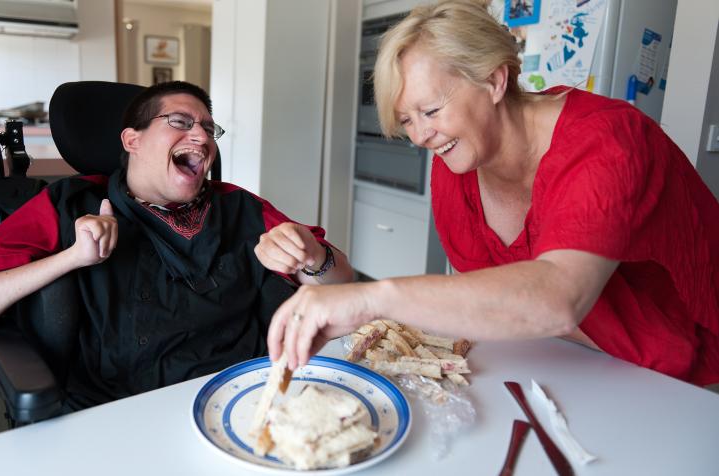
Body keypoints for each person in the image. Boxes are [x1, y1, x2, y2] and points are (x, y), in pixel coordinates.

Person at [268, 0, 719, 387]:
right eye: (407, 120)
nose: (421, 136)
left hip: (680, 376)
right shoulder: (456, 167)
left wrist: (370, 298)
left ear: (495, 81)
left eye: (431, 110)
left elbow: (558, 297)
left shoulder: (607, 140)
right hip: (564, 361)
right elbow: (482, 297)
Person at [0, 81, 354, 410]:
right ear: (133, 140)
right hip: (121, 411)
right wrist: (70, 258)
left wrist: (314, 258)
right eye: (180, 123)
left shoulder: (240, 207)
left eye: (208, 128)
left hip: (247, 399)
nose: (202, 138)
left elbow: (344, 284)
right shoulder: (67, 205)